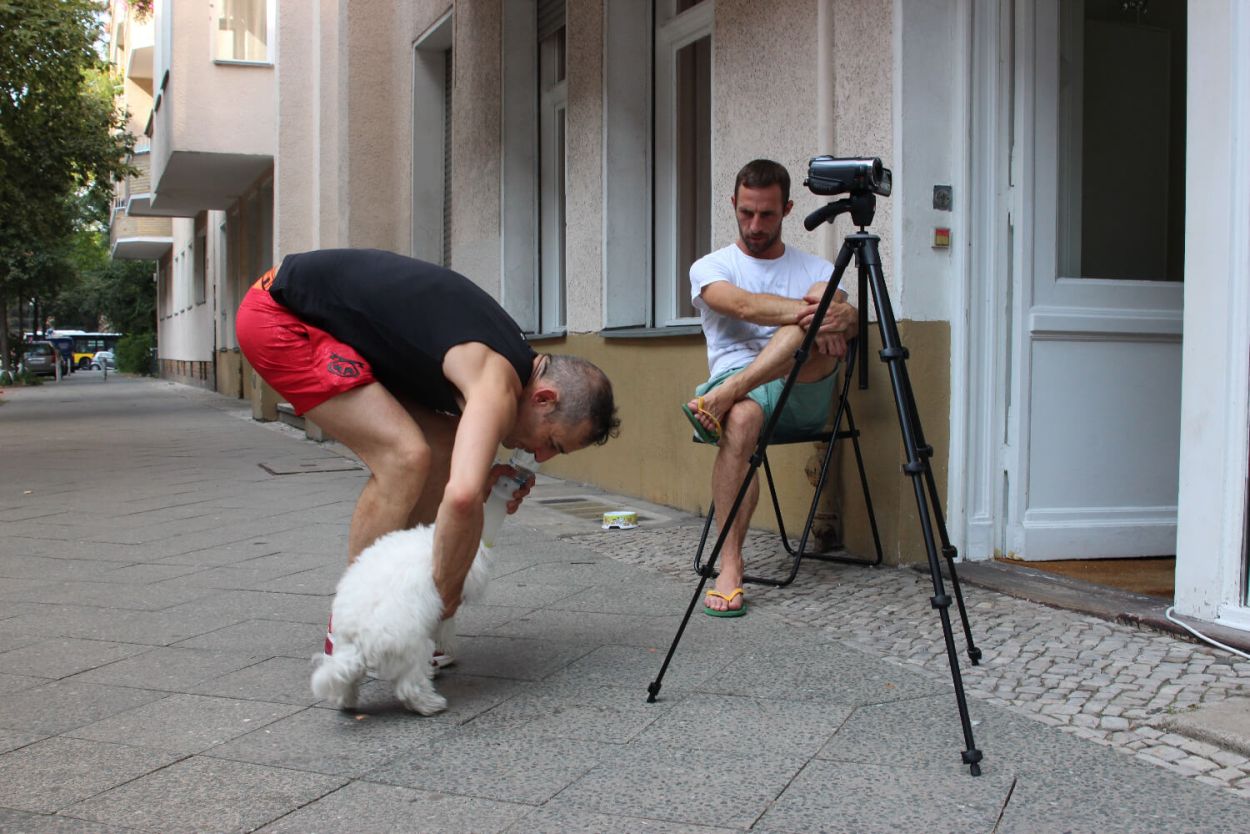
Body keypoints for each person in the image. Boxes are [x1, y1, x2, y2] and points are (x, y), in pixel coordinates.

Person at [236, 248, 619, 656]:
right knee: (404, 456)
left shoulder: (511, 366)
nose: (541, 457)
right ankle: (352, 625)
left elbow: (463, 485)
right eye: (552, 443)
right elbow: (461, 497)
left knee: (444, 446)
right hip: (279, 315)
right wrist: (444, 598)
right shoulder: (496, 383)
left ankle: (399, 601)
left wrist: (479, 483)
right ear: (543, 398)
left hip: (328, 324)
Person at [682, 159, 858, 617]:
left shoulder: (817, 266)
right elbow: (742, 305)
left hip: (801, 392)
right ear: (733, 204)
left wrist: (846, 317)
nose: (755, 225)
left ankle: (724, 396)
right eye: (746, 212)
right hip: (745, 403)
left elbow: (839, 314)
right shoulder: (711, 266)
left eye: (767, 214)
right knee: (742, 417)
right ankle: (731, 565)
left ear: (788, 209)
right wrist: (819, 316)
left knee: (803, 329)